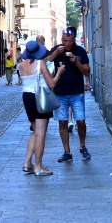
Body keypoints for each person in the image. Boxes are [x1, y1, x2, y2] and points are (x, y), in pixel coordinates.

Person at [20, 40, 66, 176]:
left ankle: (27, 163)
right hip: (39, 97)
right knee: (40, 133)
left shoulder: (21, 65)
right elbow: (51, 84)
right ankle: (38, 167)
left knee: (35, 131)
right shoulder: (40, 64)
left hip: (27, 96)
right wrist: (59, 73)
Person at [46, 27, 92, 162]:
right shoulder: (57, 49)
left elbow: (87, 72)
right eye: (64, 41)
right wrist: (55, 54)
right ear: (61, 40)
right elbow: (44, 64)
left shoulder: (80, 51)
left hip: (77, 92)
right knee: (62, 123)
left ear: (74, 40)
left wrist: (76, 61)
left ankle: (83, 146)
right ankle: (67, 152)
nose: (67, 44)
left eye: (70, 41)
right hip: (60, 93)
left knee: (81, 121)